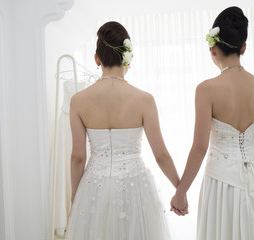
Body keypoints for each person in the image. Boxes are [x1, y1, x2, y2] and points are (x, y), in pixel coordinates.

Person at [170, 6, 254, 240]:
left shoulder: (206, 90)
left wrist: (181, 192)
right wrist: (252, 152)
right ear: (244, 47)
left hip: (221, 185)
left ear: (212, 50)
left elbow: (199, 148)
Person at [65, 21, 180, 240]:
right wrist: (180, 188)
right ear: (127, 58)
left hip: (93, 187)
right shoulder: (144, 100)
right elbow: (161, 155)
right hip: (134, 186)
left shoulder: (78, 101)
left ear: (96, 58)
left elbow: (78, 157)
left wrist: (75, 197)